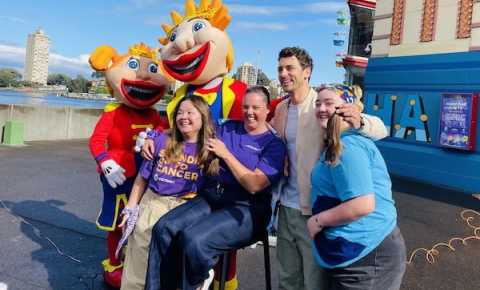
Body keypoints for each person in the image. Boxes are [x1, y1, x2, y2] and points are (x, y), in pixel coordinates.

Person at [144, 86, 287, 290]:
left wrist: (226, 154)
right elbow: (193, 128)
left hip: (247, 208)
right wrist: (154, 137)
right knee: (163, 228)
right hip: (213, 196)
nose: (249, 112)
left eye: (256, 107)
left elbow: (254, 185)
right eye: (246, 107)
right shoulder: (228, 127)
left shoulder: (273, 145)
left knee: (193, 241)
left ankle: (198, 279)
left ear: (267, 110)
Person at [270, 47, 388, 290]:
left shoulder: (323, 104)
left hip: (313, 209)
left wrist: (361, 120)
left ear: (307, 72)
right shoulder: (281, 109)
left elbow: (380, 129)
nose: (283, 73)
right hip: (285, 207)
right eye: (280, 68)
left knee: (314, 282)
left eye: (290, 68)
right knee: (287, 279)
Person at [307, 84, 406, 290]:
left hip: (367, 256)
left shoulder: (349, 146)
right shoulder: (336, 143)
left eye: (329, 103)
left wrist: (317, 221)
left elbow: (362, 204)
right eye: (318, 103)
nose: (321, 108)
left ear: (346, 108)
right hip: (350, 253)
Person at [88, 43, 171, 287]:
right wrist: (105, 162)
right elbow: (96, 141)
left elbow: (162, 135)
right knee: (116, 222)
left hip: (145, 176)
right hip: (118, 175)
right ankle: (114, 263)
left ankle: (135, 263)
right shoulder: (113, 113)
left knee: (140, 222)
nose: (144, 76)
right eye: (134, 67)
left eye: (151, 69)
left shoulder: (154, 115)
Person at [118, 95, 218, 290]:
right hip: (153, 204)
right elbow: (142, 178)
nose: (183, 117)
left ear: (203, 116)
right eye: (179, 113)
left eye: (190, 112)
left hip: (185, 210)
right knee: (139, 262)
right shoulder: (162, 141)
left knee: (171, 269)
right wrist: (131, 207)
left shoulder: (211, 149)